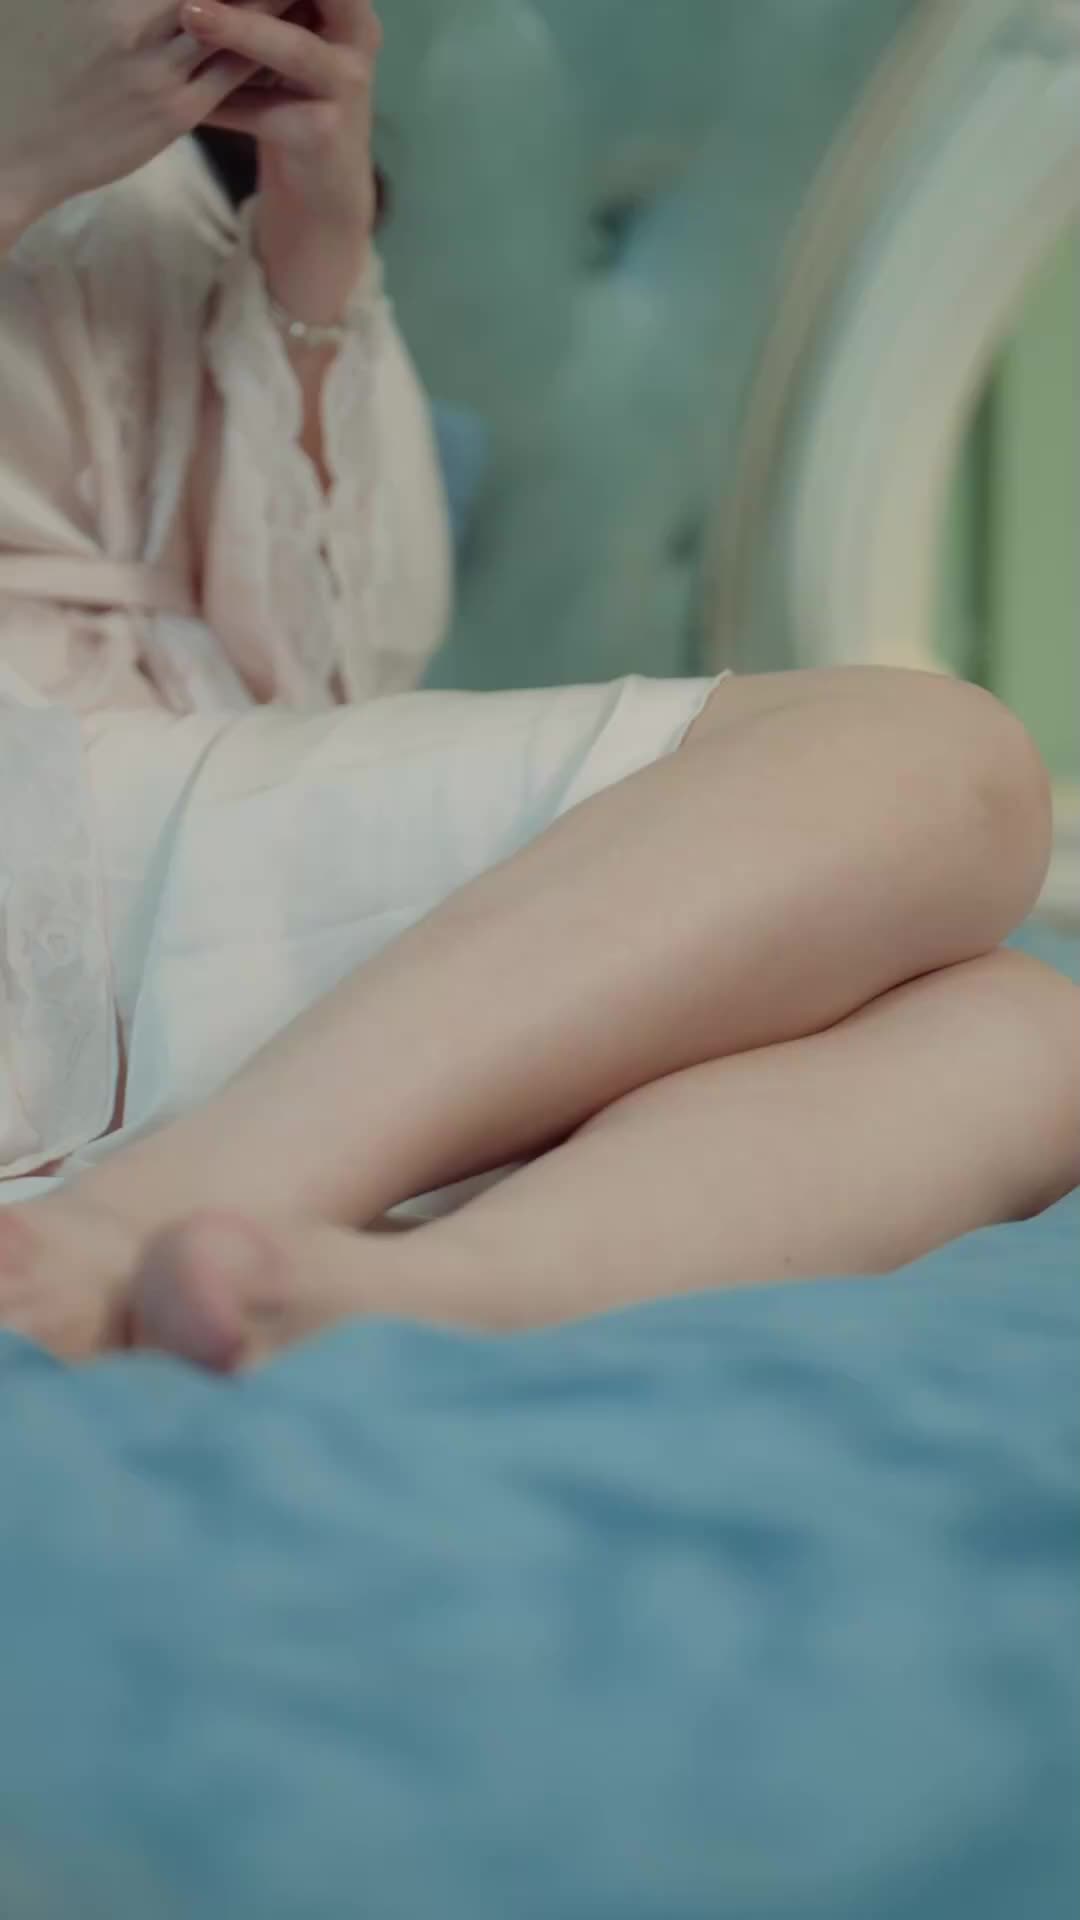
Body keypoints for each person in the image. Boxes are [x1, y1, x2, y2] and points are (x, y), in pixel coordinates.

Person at [1, 1, 1077, 1372]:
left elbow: (333, 671)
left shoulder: (164, 119)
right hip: (46, 824)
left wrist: (315, 223)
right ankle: (141, 1216)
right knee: (936, 762)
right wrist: (21, 156)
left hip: (174, 817)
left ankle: (415, 1292)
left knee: (1032, 1032)